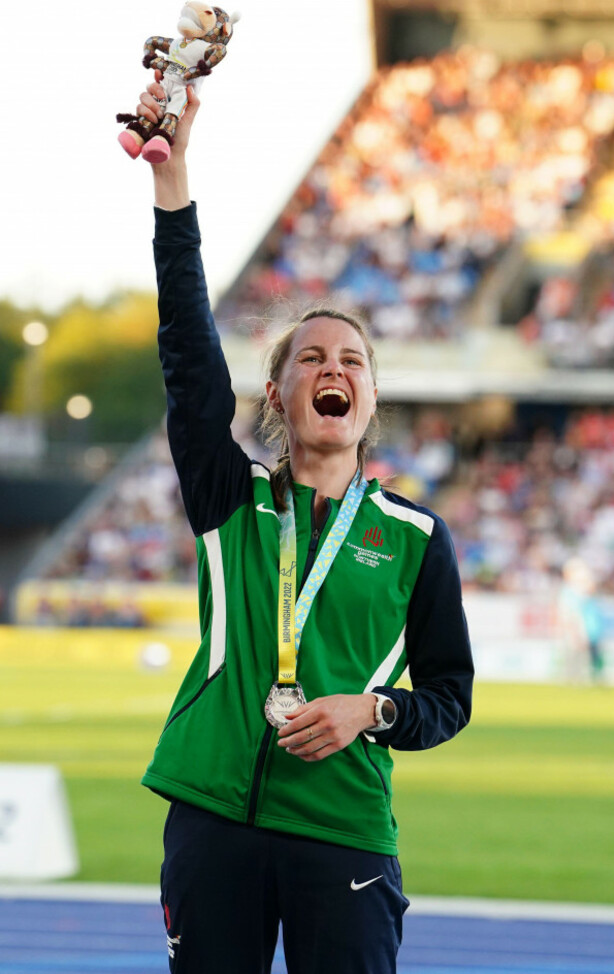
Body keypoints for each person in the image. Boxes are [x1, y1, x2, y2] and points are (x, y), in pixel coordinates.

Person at [135, 77, 474, 974]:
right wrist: (174, 185)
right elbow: (186, 353)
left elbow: (450, 695)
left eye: (353, 360)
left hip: (344, 831)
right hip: (213, 819)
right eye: (312, 357)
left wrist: (372, 709)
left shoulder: (415, 536)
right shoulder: (228, 499)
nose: (336, 368)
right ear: (281, 397)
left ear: (369, 399)